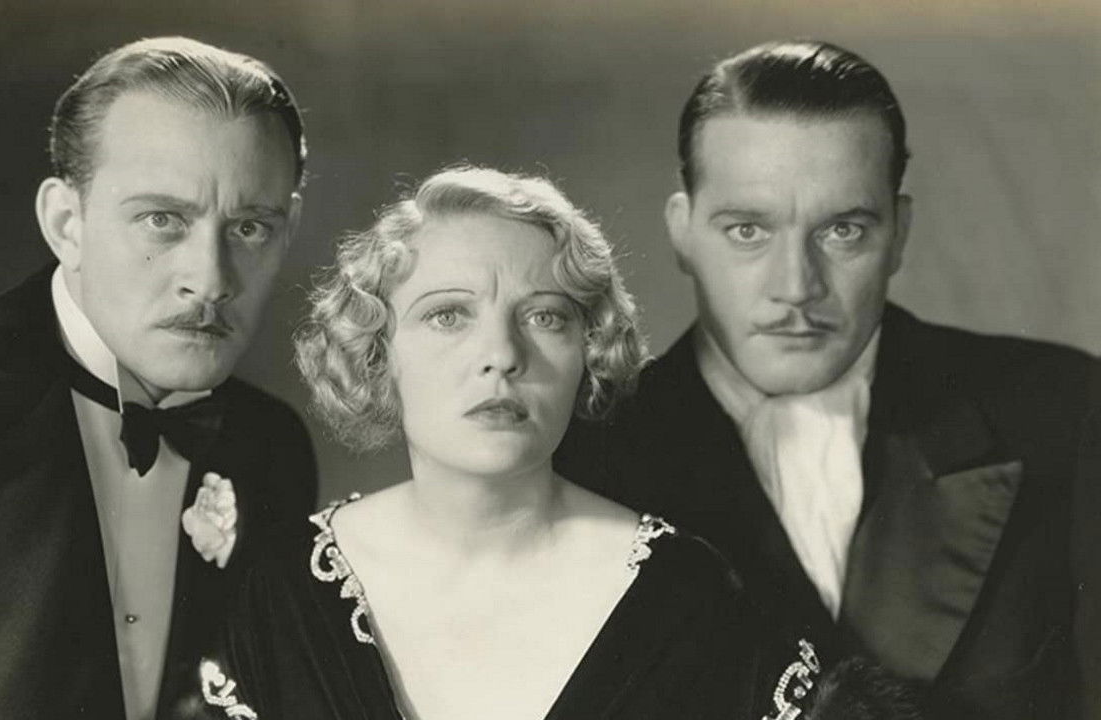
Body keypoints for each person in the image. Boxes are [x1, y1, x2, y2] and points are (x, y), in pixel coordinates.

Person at [184, 166, 897, 720]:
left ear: (589, 350)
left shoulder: (689, 595)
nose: (501, 355)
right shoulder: (284, 589)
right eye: (448, 315)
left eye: (546, 317)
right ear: (377, 353)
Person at [555, 40, 1101, 720]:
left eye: (843, 230)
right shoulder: (585, 462)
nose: (796, 285)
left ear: (899, 233)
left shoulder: (1067, 412)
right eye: (748, 230)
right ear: (683, 233)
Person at [0, 37, 318, 720]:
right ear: (66, 223)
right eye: (162, 220)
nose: (209, 280)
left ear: (287, 232)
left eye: (250, 228)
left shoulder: (274, 448)